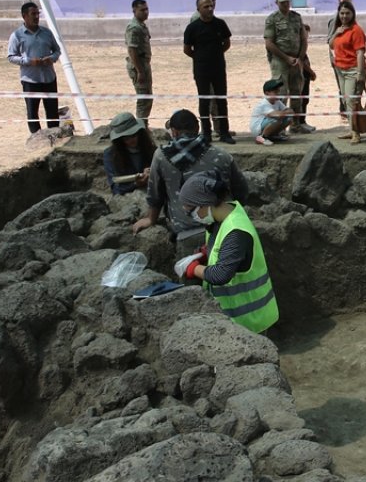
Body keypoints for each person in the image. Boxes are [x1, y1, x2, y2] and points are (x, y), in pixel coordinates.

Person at [132, 109, 249, 257]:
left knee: (192, 274)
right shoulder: (221, 155)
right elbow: (242, 191)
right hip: (225, 227)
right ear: (198, 128)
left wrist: (150, 219)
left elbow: (155, 194)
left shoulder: (161, 157)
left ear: (173, 132)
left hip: (186, 232)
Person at [174, 171, 279, 334]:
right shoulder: (225, 215)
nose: (192, 216)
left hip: (249, 321)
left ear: (204, 203)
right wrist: (207, 252)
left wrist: (193, 268)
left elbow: (220, 275)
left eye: (191, 211)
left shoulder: (236, 231)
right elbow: (223, 248)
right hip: (236, 320)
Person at [183, 0, 234, 143]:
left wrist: (215, 55)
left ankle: (225, 133)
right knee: (204, 101)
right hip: (201, 69)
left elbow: (227, 43)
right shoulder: (192, 28)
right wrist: (200, 58)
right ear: (199, 9)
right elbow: (187, 49)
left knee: (221, 101)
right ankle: (206, 134)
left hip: (218, 68)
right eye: (206, 6)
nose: (210, 9)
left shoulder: (220, 24)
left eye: (211, 6)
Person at [7, 1, 62, 135]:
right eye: (33, 14)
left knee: (52, 111)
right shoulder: (17, 35)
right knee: (32, 112)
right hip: (30, 81)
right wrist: (29, 61)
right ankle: (37, 139)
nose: (36, 16)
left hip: (49, 78)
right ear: (24, 16)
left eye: (38, 13)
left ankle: (54, 136)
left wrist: (52, 58)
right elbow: (11, 56)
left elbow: (57, 50)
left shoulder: (47, 33)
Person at [264, 0, 311, 134]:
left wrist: (300, 58)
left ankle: (296, 124)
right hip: (280, 61)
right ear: (276, 2)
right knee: (281, 94)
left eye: (287, 2)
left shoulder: (297, 17)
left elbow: (303, 38)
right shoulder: (272, 19)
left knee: (297, 92)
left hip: (296, 61)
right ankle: (279, 126)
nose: (285, 4)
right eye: (282, 2)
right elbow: (269, 43)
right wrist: (286, 58)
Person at [331, 1, 366, 144]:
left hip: (353, 70)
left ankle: (356, 133)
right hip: (341, 70)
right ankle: (352, 129)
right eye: (342, 13)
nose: (344, 16)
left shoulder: (356, 30)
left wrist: (360, 73)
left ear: (352, 14)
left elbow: (360, 53)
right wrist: (336, 33)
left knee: (352, 101)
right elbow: (331, 45)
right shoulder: (339, 28)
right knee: (346, 101)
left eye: (347, 13)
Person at [102, 111, 153, 194]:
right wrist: (135, 184)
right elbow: (115, 188)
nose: (131, 140)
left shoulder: (149, 149)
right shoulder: (110, 155)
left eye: (133, 135)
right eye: (126, 138)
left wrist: (153, 172)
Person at [326, 0, 354, 122]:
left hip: (350, 60)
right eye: (343, 2)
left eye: (348, 2)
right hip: (338, 59)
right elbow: (330, 41)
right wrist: (333, 59)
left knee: (350, 88)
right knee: (342, 87)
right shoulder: (335, 19)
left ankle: (348, 112)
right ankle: (344, 110)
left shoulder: (352, 19)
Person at [125, 0, 153, 122]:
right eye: (142, 10)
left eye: (146, 9)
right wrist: (140, 71)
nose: (146, 12)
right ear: (134, 10)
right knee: (143, 100)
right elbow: (132, 51)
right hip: (139, 66)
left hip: (144, 64)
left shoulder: (141, 26)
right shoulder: (134, 28)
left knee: (147, 98)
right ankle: (141, 127)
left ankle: (143, 125)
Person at [249, 79, 294, 145]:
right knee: (276, 119)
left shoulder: (277, 101)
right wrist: (282, 113)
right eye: (276, 92)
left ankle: (273, 136)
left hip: (266, 124)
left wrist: (283, 113)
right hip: (257, 128)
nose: (278, 94)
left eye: (278, 91)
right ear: (267, 93)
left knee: (289, 119)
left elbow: (291, 111)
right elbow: (278, 115)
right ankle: (262, 137)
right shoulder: (264, 103)